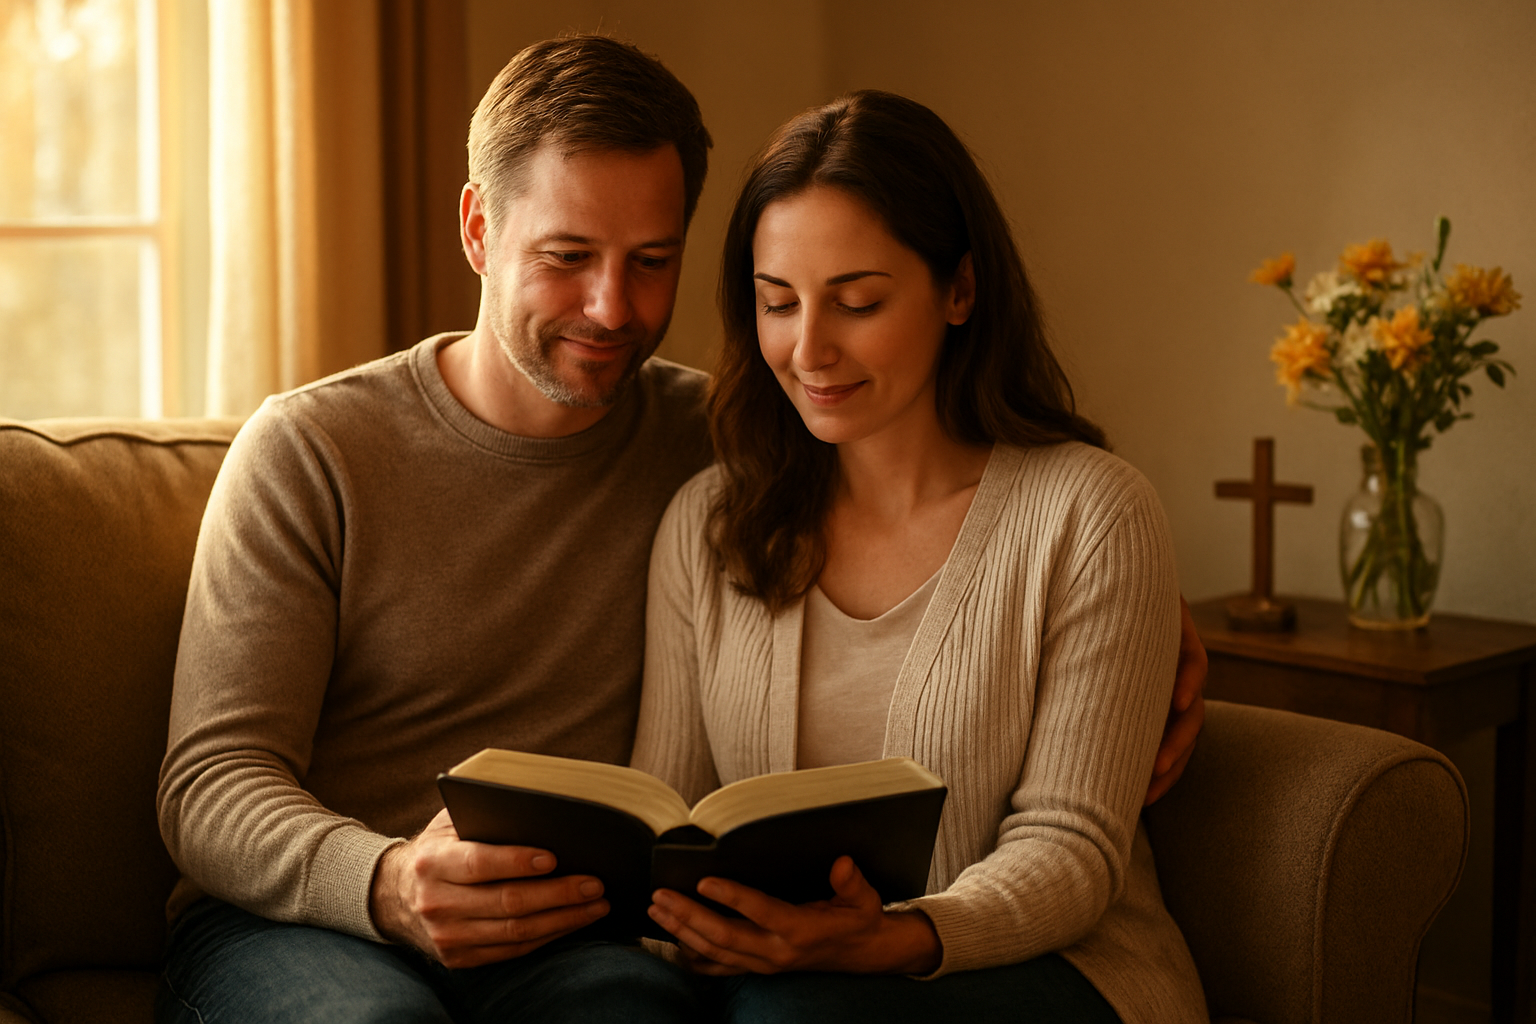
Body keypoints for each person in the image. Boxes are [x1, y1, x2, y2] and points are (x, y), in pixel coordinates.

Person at [155, 35, 1204, 1024]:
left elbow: (995, 533)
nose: (611, 307)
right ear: (478, 228)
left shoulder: (727, 450)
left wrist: (1162, 638)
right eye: (567, 255)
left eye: (651, 260)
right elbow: (207, 785)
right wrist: (384, 881)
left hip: (571, 940)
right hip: (322, 920)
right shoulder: (312, 451)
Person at [631, 91, 1208, 1023]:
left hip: (1059, 971)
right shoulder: (710, 526)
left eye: (857, 302)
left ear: (960, 290)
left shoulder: (1092, 514)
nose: (808, 348)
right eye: (777, 303)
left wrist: (890, 939)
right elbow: (668, 823)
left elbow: (1072, 848)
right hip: (779, 984)